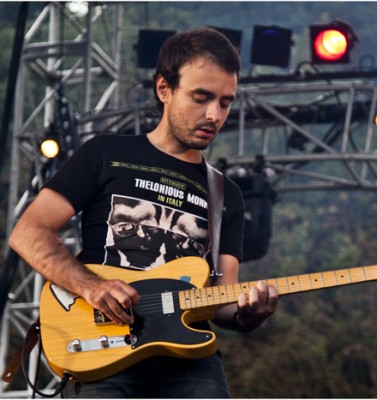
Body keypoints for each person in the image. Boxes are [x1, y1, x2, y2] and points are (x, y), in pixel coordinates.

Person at [8, 27, 279, 398]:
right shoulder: (105, 153)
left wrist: (249, 314)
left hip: (190, 364)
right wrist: (91, 285)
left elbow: (224, 300)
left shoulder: (225, 193)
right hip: (103, 345)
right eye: (201, 97)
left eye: (225, 102)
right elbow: (28, 231)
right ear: (164, 88)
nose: (214, 115)